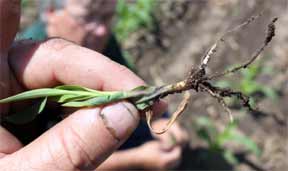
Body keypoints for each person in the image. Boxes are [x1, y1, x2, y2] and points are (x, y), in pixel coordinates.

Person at [1, 0, 188, 170]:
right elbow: (44, 158)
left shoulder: (99, 42)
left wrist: (161, 120)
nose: (101, 30)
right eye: (87, 18)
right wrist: (138, 159)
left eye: (107, 17)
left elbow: (130, 89)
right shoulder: (22, 69)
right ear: (50, 12)